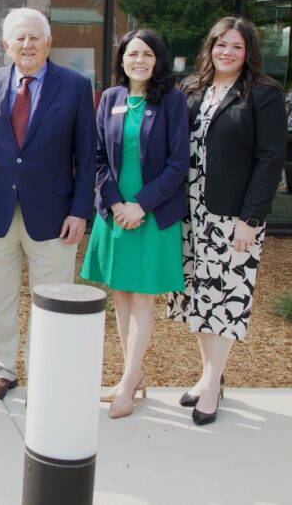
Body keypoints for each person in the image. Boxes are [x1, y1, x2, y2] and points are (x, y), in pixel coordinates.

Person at [167, 17, 286, 425]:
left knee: (224, 299)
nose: (227, 53)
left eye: (237, 46)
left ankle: (212, 385)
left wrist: (251, 218)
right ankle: (208, 375)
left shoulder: (265, 94)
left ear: (248, 51)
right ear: (211, 47)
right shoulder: (192, 88)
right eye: (221, 45)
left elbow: (270, 159)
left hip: (233, 216)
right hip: (191, 212)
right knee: (199, 298)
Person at [0, 7, 95, 401]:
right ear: (7, 45)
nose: (26, 45)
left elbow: (87, 153)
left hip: (55, 214)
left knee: (53, 297)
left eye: (34, 38)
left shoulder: (76, 86)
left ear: (49, 43)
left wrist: (80, 210)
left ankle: (48, 373)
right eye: (19, 38)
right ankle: (1, 370)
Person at [80, 29, 189, 419]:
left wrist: (139, 206)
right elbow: (97, 158)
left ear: (158, 60)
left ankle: (127, 383)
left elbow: (179, 164)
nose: (139, 60)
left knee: (142, 296)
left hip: (152, 213)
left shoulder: (173, 101)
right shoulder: (110, 98)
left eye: (147, 54)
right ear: (121, 60)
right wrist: (115, 202)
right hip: (114, 212)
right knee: (121, 295)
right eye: (132, 54)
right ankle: (133, 374)